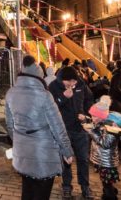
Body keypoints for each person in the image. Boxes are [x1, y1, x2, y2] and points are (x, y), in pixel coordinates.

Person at [6, 55, 74, 200]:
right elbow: (58, 126)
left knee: (27, 191)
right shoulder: (45, 95)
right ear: (39, 77)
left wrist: (21, 140)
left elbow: (10, 125)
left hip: (23, 153)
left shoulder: (11, 93)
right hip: (44, 154)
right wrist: (67, 150)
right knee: (41, 193)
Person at [48, 66, 93, 199]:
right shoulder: (53, 87)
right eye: (69, 82)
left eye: (74, 81)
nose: (72, 84)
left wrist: (85, 114)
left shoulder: (81, 84)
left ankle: (85, 186)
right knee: (66, 159)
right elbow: (50, 107)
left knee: (83, 159)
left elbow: (89, 99)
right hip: (63, 129)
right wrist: (63, 97)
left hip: (80, 128)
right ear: (62, 80)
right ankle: (66, 186)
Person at [84, 96, 120, 199]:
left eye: (94, 116)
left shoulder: (110, 127)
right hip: (102, 160)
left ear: (101, 116)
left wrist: (90, 132)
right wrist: (88, 122)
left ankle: (110, 196)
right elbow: (96, 129)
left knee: (107, 185)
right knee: (106, 183)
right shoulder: (100, 123)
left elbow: (105, 143)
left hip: (107, 162)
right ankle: (109, 193)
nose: (92, 118)